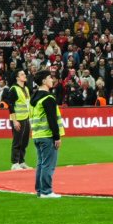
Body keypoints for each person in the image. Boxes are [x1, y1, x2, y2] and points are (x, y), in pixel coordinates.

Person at [29, 70, 63, 198]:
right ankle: (46, 191)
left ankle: (40, 190)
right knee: (48, 164)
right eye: (49, 77)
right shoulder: (48, 98)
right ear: (43, 81)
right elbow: (52, 119)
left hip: (37, 135)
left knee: (41, 164)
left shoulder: (34, 97)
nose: (52, 80)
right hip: (47, 135)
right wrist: (57, 137)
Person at [1, 67, 32, 171]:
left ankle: (21, 161)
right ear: (17, 78)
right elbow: (10, 106)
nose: (25, 75)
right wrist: (14, 121)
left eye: (24, 74)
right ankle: (15, 163)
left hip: (26, 118)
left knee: (25, 141)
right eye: (22, 74)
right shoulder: (14, 89)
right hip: (18, 119)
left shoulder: (26, 88)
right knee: (17, 141)